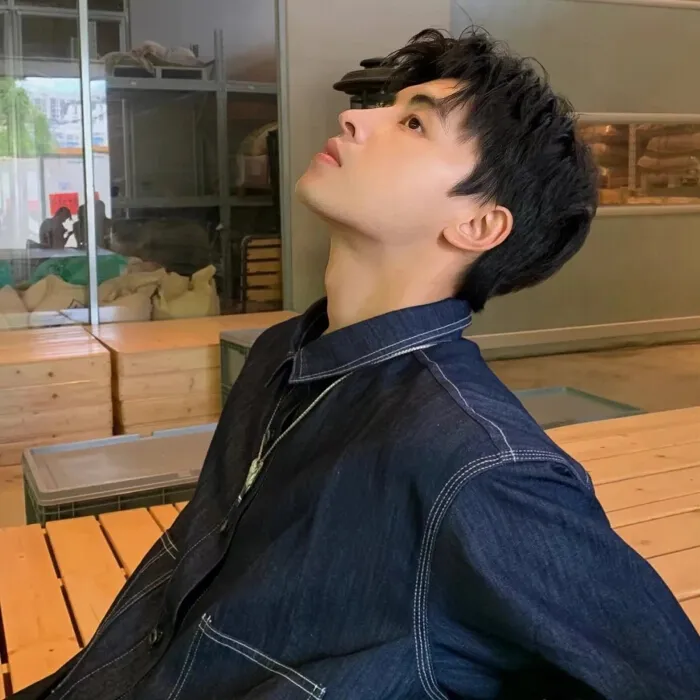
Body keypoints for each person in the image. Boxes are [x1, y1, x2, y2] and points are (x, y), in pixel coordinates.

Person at [13, 28, 700, 700]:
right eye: (386, 107)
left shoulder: (482, 469)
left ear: (478, 225)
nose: (354, 118)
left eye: (414, 124)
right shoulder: (284, 353)